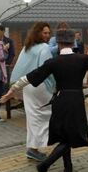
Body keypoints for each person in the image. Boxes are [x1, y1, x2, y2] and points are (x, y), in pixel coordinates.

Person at [0, 29, 88, 172]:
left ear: (58, 43)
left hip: (59, 100)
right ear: (73, 43)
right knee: (71, 136)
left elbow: (30, 77)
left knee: (65, 135)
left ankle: (68, 167)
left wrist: (11, 91)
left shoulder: (53, 62)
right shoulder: (82, 59)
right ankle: (45, 165)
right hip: (75, 101)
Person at [11, 22, 55, 161]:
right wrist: (55, 84)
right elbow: (47, 69)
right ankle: (35, 148)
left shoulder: (27, 48)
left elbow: (20, 67)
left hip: (27, 85)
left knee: (32, 117)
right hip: (40, 85)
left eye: (48, 33)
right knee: (43, 116)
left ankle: (32, 148)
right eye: (45, 33)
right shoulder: (45, 48)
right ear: (38, 33)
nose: (47, 35)